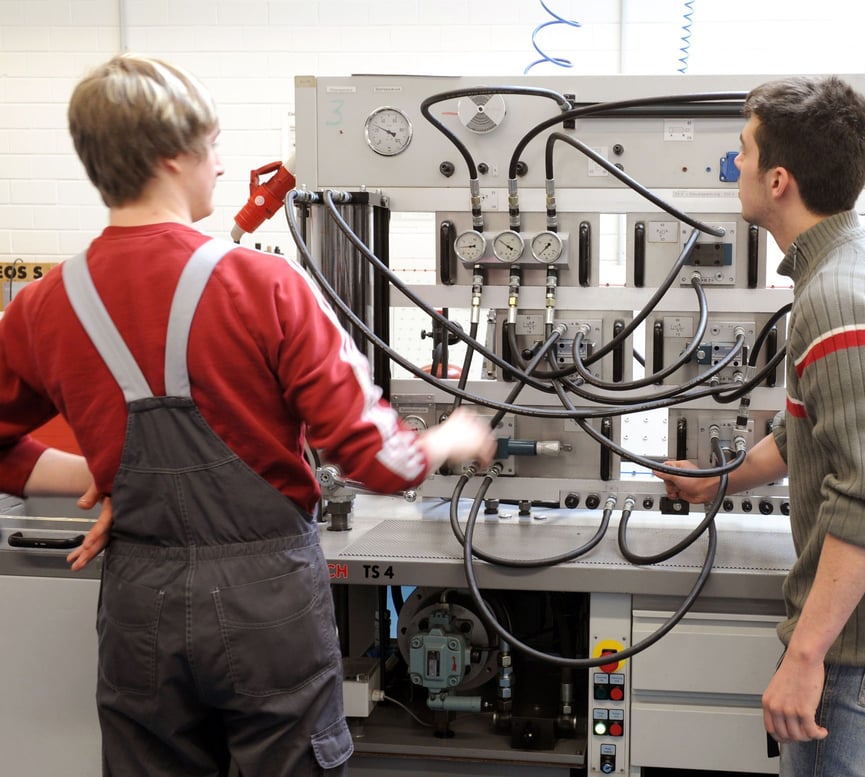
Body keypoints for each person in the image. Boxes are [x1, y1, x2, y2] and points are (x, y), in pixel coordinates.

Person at [0, 53, 495, 777]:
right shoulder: (264, 284)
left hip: (141, 607)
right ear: (174, 157)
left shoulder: (42, 304)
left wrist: (108, 476)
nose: (224, 165)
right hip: (266, 603)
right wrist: (454, 433)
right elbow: (376, 461)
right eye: (216, 145)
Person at [657, 76, 865, 777]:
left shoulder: (837, 302)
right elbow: (816, 428)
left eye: (745, 153)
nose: (738, 167)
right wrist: (720, 479)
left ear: (779, 180)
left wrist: (805, 655)